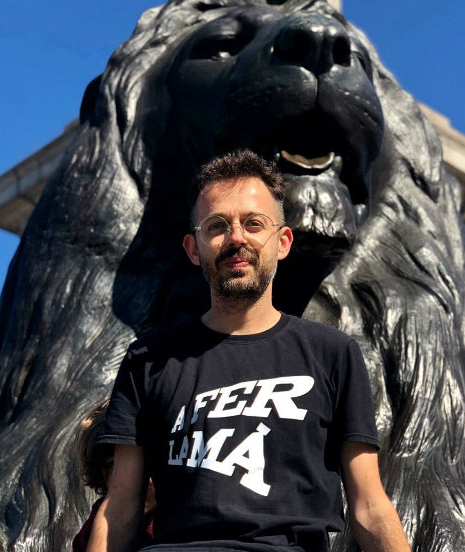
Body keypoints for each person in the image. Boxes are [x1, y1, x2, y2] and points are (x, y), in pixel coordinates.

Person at [88, 150, 411, 552]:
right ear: (193, 248)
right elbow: (119, 509)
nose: (236, 237)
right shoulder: (147, 360)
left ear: (283, 242)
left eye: (254, 224)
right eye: (217, 226)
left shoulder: (334, 354)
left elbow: (369, 506)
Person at [74, 400, 156, 552]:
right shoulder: (101, 520)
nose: (131, 473)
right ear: (101, 474)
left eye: (147, 459)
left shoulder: (177, 516)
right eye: (113, 465)